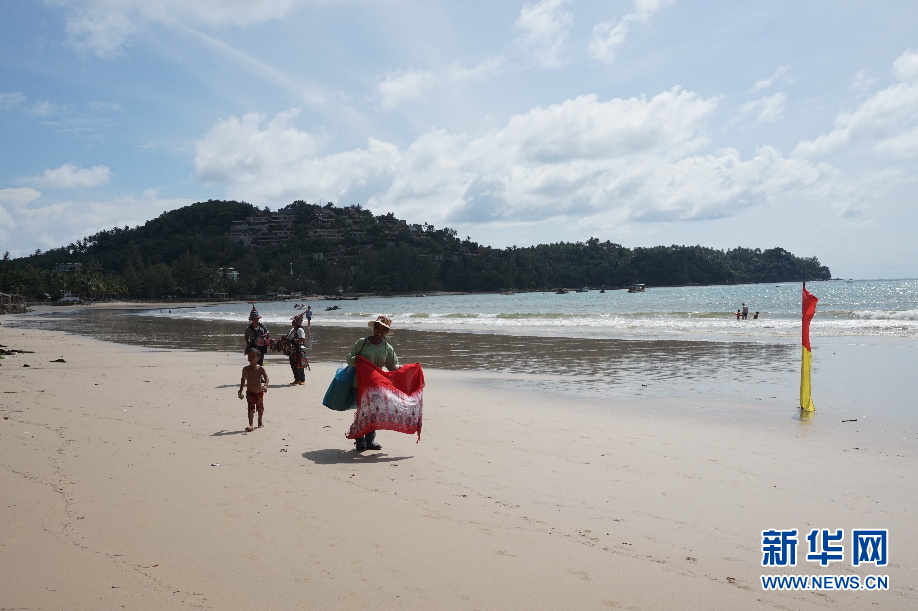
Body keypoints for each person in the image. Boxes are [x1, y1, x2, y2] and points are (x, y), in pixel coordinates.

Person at [346, 315, 400, 451]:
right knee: (362, 411)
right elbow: (349, 357)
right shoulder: (362, 342)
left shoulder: (387, 348)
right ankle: (360, 440)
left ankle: (370, 441)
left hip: (376, 386)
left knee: (373, 412)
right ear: (374, 328)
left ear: (386, 332)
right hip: (358, 384)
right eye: (378, 328)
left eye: (383, 329)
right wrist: (355, 360)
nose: (380, 331)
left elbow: (393, 366)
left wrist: (406, 370)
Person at [238, 348, 269, 432]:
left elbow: (266, 378)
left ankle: (260, 421)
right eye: (249, 356)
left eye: (253, 356)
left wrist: (265, 386)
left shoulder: (260, 369)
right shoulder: (245, 369)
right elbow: (243, 379)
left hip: (259, 392)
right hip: (250, 392)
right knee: (250, 408)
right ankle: (251, 424)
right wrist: (241, 389)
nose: (251, 358)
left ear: (258, 358)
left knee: (260, 408)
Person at [286, 313, 307, 385]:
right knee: (293, 364)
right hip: (292, 350)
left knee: (299, 364)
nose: (292, 322)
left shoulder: (300, 330)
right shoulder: (292, 329)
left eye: (294, 321)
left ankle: (302, 380)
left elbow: (302, 339)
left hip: (299, 349)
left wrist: (295, 342)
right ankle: (297, 379)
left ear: (297, 323)